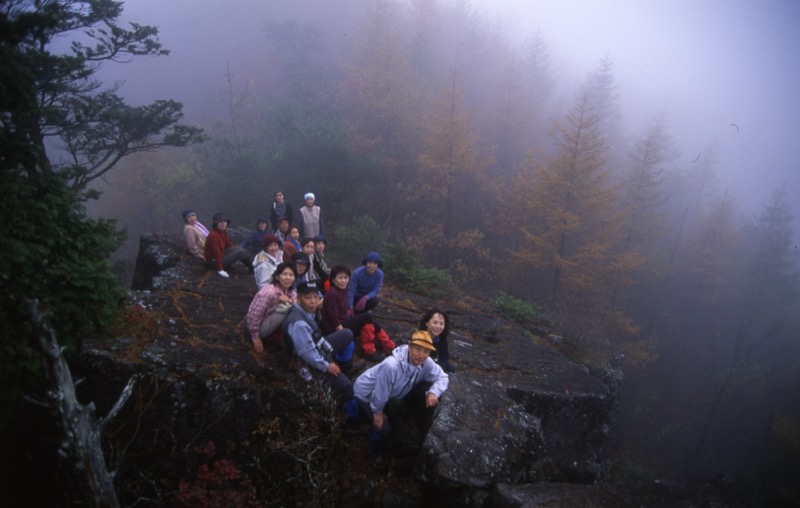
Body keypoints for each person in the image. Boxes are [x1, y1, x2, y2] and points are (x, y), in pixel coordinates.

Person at [354, 330, 449, 472]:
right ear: (410, 347)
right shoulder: (391, 365)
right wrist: (377, 412)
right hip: (366, 394)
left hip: (390, 396)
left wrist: (433, 392)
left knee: (398, 412)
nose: (422, 355)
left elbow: (443, 377)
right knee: (383, 429)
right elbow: (380, 392)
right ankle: (373, 452)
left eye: (426, 351)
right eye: (418, 349)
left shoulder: (426, 362)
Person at [283, 280, 364, 420]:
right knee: (347, 387)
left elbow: (315, 337)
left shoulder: (305, 311)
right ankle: (350, 415)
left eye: (316, 297)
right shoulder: (299, 324)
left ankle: (344, 365)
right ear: (299, 298)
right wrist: (327, 366)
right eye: (308, 298)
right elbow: (308, 355)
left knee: (347, 334)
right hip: (308, 363)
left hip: (318, 346)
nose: (313, 301)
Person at [246, 262, 297, 353]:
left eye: (291, 275)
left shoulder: (288, 290)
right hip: (260, 327)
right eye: (285, 274)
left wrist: (288, 301)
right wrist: (255, 336)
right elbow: (255, 314)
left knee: (292, 307)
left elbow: (296, 301)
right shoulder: (269, 292)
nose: (288, 278)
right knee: (287, 309)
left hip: (270, 320)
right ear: (277, 277)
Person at [321, 264, 373, 337]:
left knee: (374, 325)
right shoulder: (332, 294)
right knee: (368, 316)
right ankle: (368, 344)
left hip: (344, 321)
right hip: (333, 328)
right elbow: (333, 317)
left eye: (346, 278)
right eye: (340, 278)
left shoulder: (344, 290)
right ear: (333, 280)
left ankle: (386, 343)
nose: (343, 281)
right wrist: (343, 334)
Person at [204, 212, 253, 277]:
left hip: (221, 255)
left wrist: (234, 253)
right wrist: (220, 270)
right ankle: (252, 269)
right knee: (240, 252)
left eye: (224, 222)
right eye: (220, 222)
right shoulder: (214, 236)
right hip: (213, 263)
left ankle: (252, 266)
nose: (223, 224)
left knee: (239, 249)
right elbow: (217, 253)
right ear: (215, 224)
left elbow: (228, 245)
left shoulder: (222, 232)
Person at [419, 308, 456, 372]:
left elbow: (444, 356)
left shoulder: (441, 338)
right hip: (420, 363)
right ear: (427, 323)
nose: (438, 326)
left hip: (433, 364)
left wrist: (439, 369)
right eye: (435, 323)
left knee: (451, 368)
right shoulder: (419, 337)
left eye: (441, 324)